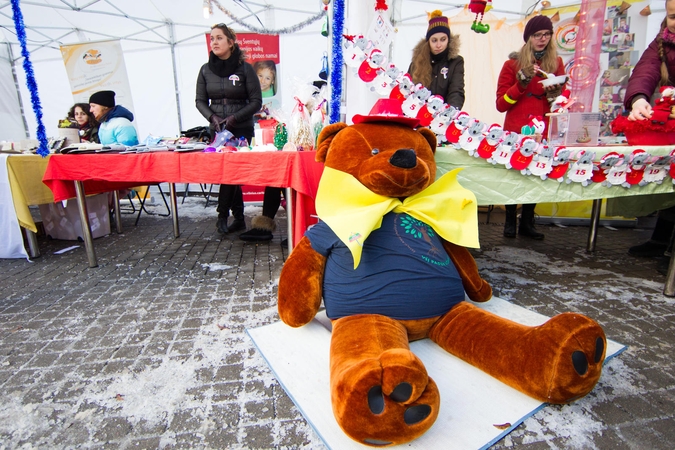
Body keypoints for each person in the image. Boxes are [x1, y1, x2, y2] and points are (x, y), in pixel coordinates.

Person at [495, 15, 566, 240]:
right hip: (516, 131)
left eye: (546, 34)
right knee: (513, 176)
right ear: (528, 38)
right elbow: (501, 104)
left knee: (535, 176)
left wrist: (557, 96)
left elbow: (563, 102)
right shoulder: (511, 65)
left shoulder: (556, 64)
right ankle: (509, 221)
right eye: (537, 35)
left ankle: (527, 222)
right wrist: (520, 84)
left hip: (542, 131)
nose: (542, 39)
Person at [623, 0, 675, 271]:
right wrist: (639, 99)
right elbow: (645, 71)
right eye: (673, 16)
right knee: (671, 180)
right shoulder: (662, 43)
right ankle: (662, 240)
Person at [196, 23, 262, 234]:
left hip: (241, 129)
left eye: (219, 38)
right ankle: (239, 218)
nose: (214, 42)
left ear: (231, 43)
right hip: (218, 130)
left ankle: (222, 214)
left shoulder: (245, 69)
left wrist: (235, 117)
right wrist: (212, 116)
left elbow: (256, 101)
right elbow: (199, 101)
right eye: (212, 38)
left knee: (231, 173)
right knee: (226, 174)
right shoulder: (205, 70)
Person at [408, 10, 465, 109]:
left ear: (448, 39)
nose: (439, 45)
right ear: (428, 42)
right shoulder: (417, 62)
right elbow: (408, 90)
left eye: (443, 39)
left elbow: (456, 92)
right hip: (418, 117)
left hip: (443, 118)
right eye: (434, 40)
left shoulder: (456, 62)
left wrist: (449, 113)